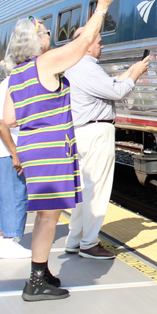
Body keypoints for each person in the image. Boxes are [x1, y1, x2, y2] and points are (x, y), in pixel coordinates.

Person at [0, 0, 121, 300]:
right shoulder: (44, 63)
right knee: (50, 217)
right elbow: (80, 48)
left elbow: (9, 119)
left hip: (32, 148)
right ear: (36, 40)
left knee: (45, 216)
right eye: (46, 32)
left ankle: (42, 271)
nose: (50, 36)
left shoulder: (16, 75)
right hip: (52, 148)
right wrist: (102, 7)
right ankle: (37, 279)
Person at [64, 33, 148, 259]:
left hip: (83, 132)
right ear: (88, 45)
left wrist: (130, 71)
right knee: (97, 190)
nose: (103, 44)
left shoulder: (74, 66)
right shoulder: (87, 67)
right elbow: (117, 91)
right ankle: (89, 243)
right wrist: (136, 76)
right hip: (96, 133)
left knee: (84, 190)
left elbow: (107, 86)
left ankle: (74, 240)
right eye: (99, 41)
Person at [0, 70, 31, 259]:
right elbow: (1, 122)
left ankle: (0, 239)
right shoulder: (15, 82)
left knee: (4, 196)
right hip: (3, 148)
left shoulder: (10, 81)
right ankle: (8, 242)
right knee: (14, 194)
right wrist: (14, 152)